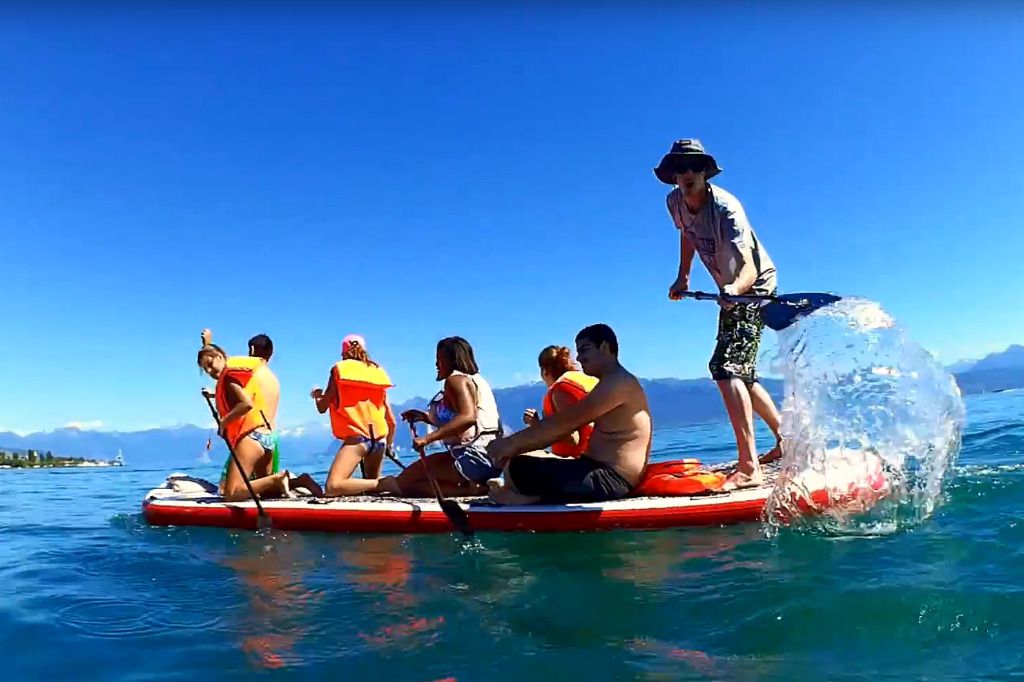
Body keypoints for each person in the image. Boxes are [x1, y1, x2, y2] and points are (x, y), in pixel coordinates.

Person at [655, 138, 783, 489]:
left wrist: (734, 290)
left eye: (692, 167)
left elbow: (748, 267)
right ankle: (786, 440)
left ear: (704, 171)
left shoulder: (727, 208)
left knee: (726, 368)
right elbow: (687, 236)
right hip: (729, 289)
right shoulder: (674, 203)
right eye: (678, 168)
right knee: (740, 370)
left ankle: (749, 466)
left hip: (753, 287)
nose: (685, 174)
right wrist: (683, 276)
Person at [486, 324, 651, 505]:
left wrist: (510, 444)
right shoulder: (612, 382)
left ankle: (528, 499)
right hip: (598, 471)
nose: (579, 358)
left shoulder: (617, 383)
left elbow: (563, 425)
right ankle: (521, 492)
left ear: (604, 347)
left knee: (518, 469)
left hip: (610, 480)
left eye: (584, 350)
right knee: (519, 463)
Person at [377, 337, 503, 498]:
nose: (436, 365)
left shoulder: (455, 380)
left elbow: (468, 417)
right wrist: (425, 417)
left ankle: (472, 490)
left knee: (403, 484)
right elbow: (470, 420)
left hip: (472, 458)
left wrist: (427, 439)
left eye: (440, 359)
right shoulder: (477, 380)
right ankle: (473, 486)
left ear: (452, 360)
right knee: (411, 480)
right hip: (493, 459)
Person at [197, 344, 321, 501]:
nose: (209, 371)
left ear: (220, 357)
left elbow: (246, 404)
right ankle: (300, 481)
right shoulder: (243, 376)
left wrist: (224, 422)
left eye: (210, 365)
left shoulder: (229, 377)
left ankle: (277, 478)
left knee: (232, 493)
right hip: (267, 437)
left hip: (251, 438)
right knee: (268, 492)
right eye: (205, 370)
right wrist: (214, 395)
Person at [311, 335, 397, 496]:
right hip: (379, 441)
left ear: (343, 353)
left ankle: (385, 482)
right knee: (371, 490)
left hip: (358, 440)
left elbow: (323, 407)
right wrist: (390, 446)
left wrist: (317, 395)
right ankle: (381, 484)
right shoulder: (376, 372)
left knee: (333, 487)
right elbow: (391, 420)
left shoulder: (339, 370)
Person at [522, 345, 599, 458]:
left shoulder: (561, 389)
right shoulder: (588, 381)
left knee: (518, 460)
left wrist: (537, 425)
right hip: (605, 456)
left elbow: (573, 439)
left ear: (545, 371)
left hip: (580, 460)